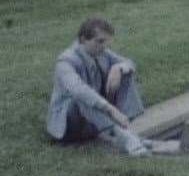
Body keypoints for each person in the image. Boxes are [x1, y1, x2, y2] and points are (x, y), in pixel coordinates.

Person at [46, 17, 151, 156]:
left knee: (125, 74)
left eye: (105, 41)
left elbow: (130, 63)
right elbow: (79, 90)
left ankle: (124, 131)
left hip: (93, 121)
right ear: (83, 40)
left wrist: (119, 67)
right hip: (69, 127)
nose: (104, 46)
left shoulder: (101, 53)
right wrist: (111, 109)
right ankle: (123, 136)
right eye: (99, 41)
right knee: (82, 96)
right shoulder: (66, 61)